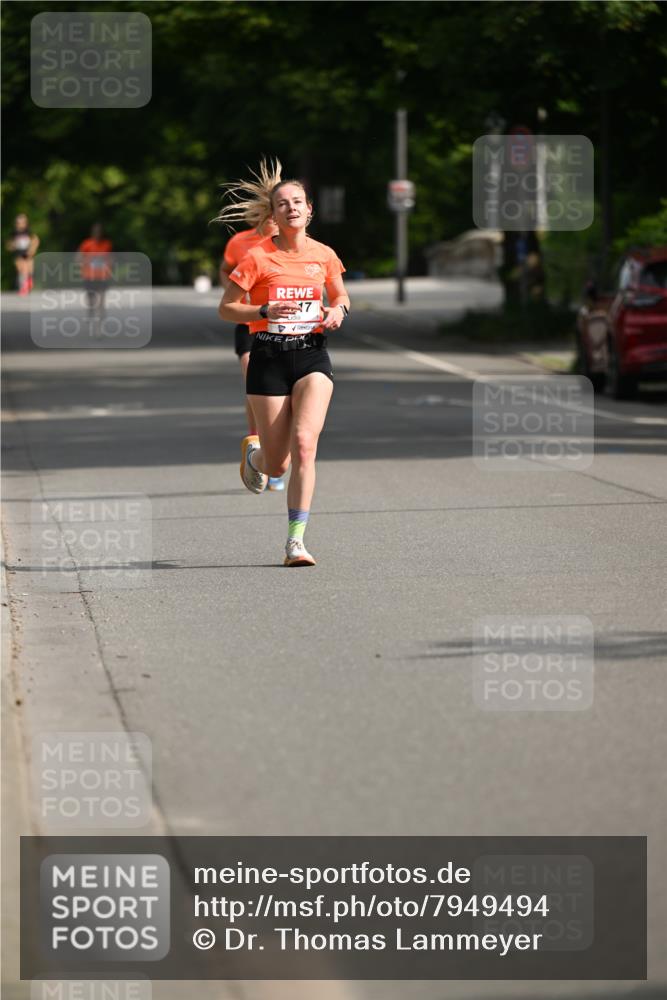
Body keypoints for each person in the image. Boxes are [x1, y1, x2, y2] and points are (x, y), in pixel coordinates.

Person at [217, 159, 350, 567]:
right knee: (279, 463)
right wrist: (264, 308)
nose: (291, 208)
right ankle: (256, 458)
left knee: (306, 445)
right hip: (269, 356)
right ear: (273, 215)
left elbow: (341, 295)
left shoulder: (324, 255)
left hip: (311, 354)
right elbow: (226, 309)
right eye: (282, 203)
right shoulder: (257, 258)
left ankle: (296, 541)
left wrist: (338, 311)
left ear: (310, 210)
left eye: (298, 201)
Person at [219, 220, 285, 491]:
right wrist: (238, 293)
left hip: (285, 326)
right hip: (250, 321)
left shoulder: (292, 241)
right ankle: (257, 441)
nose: (272, 217)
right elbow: (225, 269)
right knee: (252, 374)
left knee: (283, 391)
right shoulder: (240, 242)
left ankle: (275, 456)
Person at [77, 223, 113, 322]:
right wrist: (87, 260)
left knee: (101, 298)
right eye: (96, 231)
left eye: (100, 231)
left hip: (103, 276)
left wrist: (110, 266)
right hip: (89, 276)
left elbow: (111, 258)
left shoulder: (107, 244)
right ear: (92, 232)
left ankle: (100, 314)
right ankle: (90, 311)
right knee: (91, 299)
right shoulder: (86, 244)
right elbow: (78, 257)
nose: (98, 233)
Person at [7, 214, 39, 295]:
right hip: (18, 253)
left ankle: (28, 284)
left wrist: (32, 250)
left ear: (26, 223)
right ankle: (24, 286)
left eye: (22, 222)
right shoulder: (14, 233)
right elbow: (9, 244)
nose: (20, 224)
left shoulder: (28, 232)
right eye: (18, 222)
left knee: (28, 269)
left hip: (27, 252)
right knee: (21, 269)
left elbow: (36, 240)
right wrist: (12, 245)